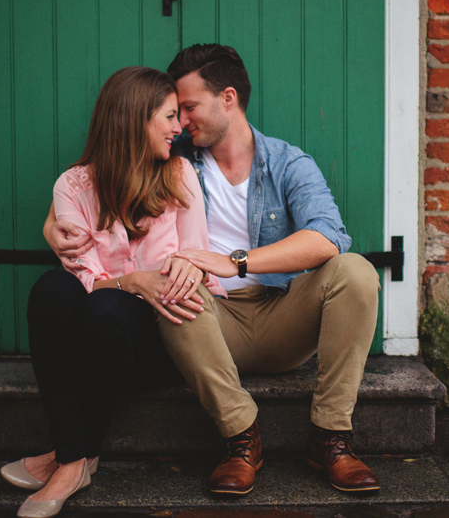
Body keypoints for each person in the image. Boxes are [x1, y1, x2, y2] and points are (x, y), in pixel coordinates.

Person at [45, 44, 381, 495]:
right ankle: (242, 439)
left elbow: (328, 237)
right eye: (174, 113)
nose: (180, 122)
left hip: (281, 314)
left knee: (355, 271)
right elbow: (105, 175)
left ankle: (331, 437)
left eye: (188, 108)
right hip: (205, 321)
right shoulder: (174, 158)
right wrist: (52, 222)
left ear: (227, 98)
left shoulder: (287, 163)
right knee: (178, 284)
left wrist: (236, 262)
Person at [2, 66, 226, 518]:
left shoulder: (180, 175)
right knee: (51, 289)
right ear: (133, 120)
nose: (178, 126)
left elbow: (194, 266)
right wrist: (132, 281)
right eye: (167, 116)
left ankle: (65, 459)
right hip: (97, 339)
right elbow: (80, 274)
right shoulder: (73, 186)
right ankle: (74, 460)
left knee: (105, 305)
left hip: (165, 340)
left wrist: (135, 285)